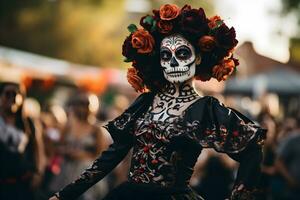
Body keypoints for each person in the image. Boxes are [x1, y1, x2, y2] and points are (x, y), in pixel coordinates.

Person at [50, 4, 266, 200]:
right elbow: (111, 156)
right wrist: (64, 196)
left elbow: (252, 149)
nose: (173, 63)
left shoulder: (205, 110)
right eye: (165, 55)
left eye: (182, 53)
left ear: (198, 57)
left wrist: (239, 196)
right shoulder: (145, 102)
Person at [48, 92, 109, 200]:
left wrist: (82, 154)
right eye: (79, 103)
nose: (82, 107)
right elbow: (57, 147)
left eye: (86, 104)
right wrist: (66, 151)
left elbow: (102, 155)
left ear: (94, 106)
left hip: (85, 172)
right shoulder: (68, 126)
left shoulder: (97, 129)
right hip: (66, 170)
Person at [0, 81, 45, 200]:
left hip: (21, 183)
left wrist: (38, 173)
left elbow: (38, 150)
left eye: (16, 94)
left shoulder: (28, 123)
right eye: (7, 94)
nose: (12, 98)